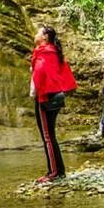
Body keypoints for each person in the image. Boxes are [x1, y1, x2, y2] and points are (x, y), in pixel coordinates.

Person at [30, 25, 77, 183]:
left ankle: (54, 172)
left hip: (45, 97)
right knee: (50, 135)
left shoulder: (43, 52)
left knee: (48, 137)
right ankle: (59, 170)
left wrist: (34, 92)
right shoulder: (54, 52)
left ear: (45, 37)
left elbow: (39, 72)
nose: (35, 35)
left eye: (38, 33)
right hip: (55, 95)